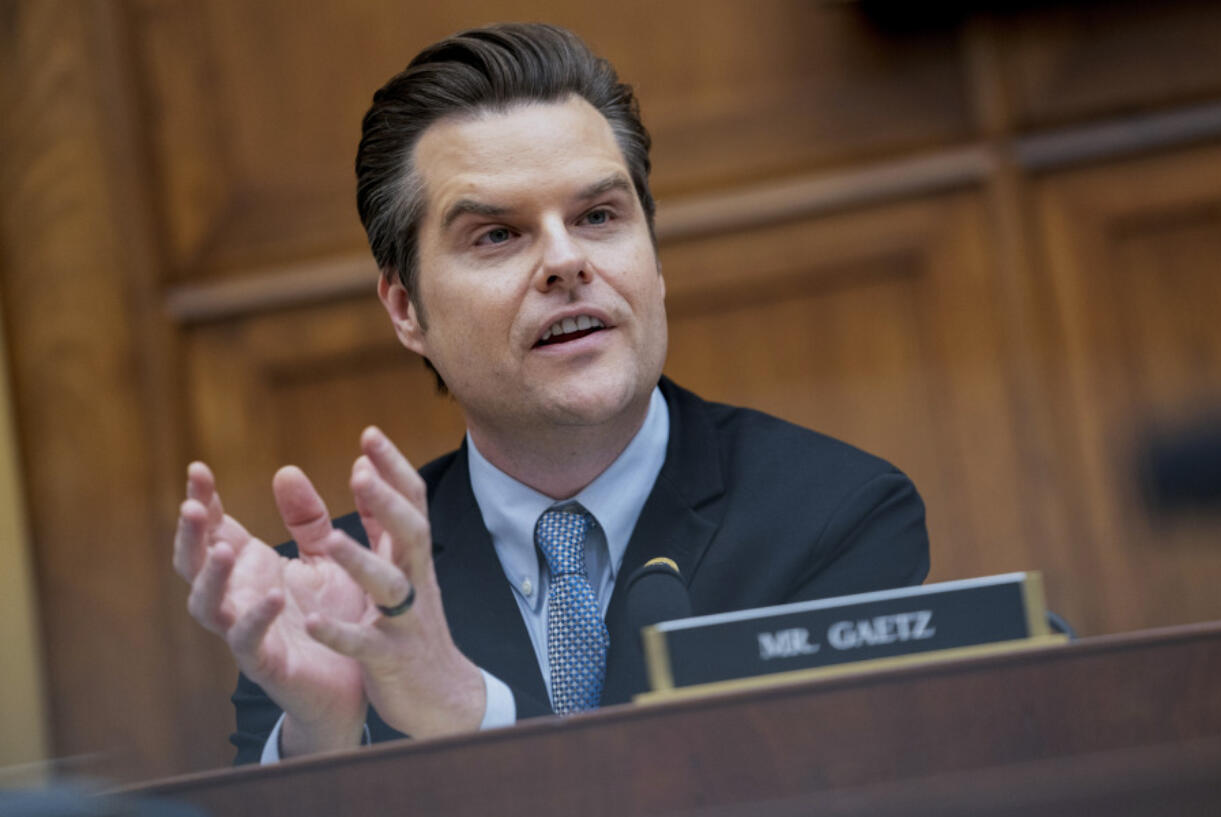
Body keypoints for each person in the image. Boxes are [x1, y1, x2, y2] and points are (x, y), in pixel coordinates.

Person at [171, 23, 929, 766]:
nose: (566, 261)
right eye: (497, 235)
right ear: (406, 309)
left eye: (598, 217)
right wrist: (326, 742)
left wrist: (469, 713)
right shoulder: (336, 598)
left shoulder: (838, 515)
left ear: (655, 262)